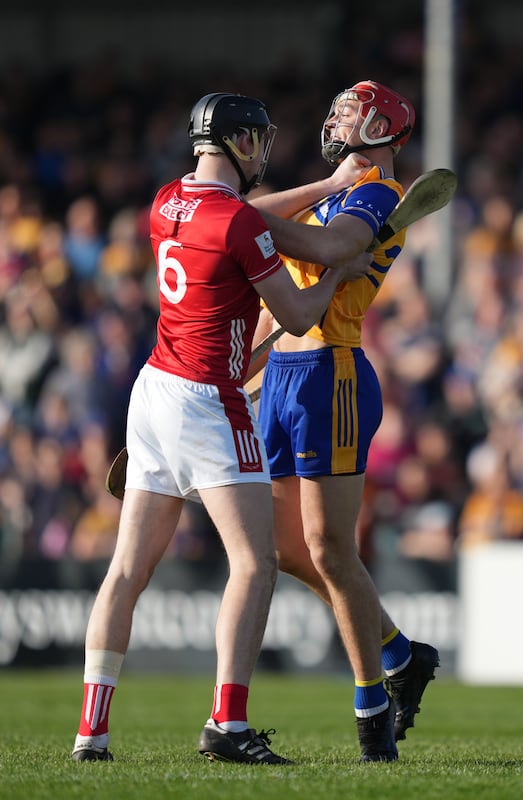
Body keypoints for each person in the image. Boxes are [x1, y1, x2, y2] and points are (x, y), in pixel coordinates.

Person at [70, 92, 373, 766]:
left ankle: (92, 731)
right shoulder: (238, 224)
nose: (263, 151)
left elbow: (234, 232)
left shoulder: (162, 203)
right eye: (258, 140)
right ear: (238, 143)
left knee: (126, 570)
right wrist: (338, 272)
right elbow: (295, 317)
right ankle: (227, 725)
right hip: (208, 401)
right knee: (255, 562)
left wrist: (326, 185)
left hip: (152, 391)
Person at [249, 80, 440, 762]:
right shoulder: (335, 190)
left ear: (383, 123)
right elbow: (240, 216)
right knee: (280, 550)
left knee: (331, 549)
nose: (333, 116)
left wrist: (279, 219)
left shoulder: (379, 195)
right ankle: (399, 652)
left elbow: (330, 251)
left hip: (332, 373)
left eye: (347, 110)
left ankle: (372, 710)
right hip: (282, 376)